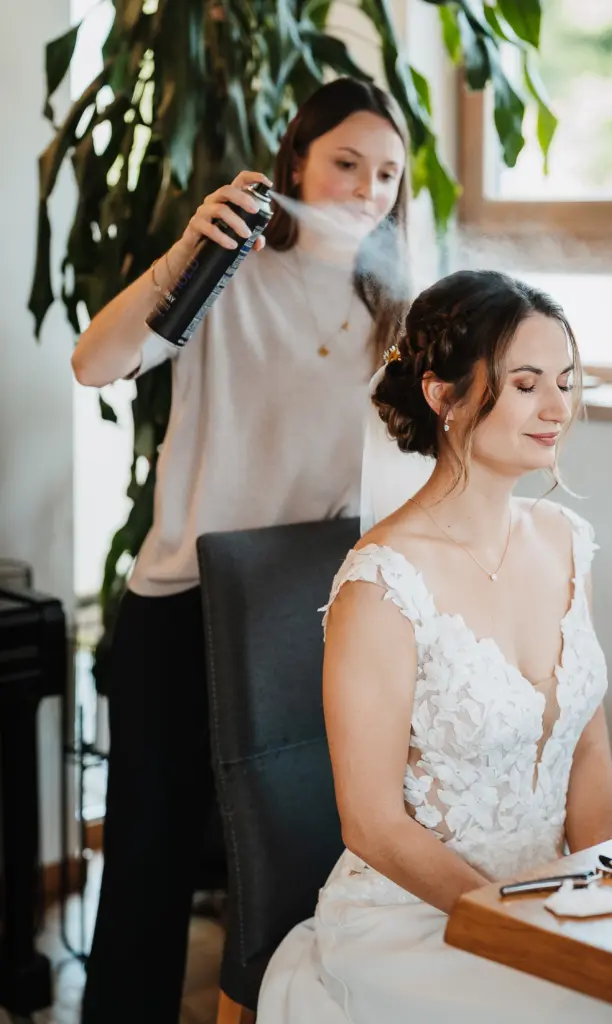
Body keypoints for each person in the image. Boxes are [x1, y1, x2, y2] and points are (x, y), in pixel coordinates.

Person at [72, 77, 411, 1023]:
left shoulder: (396, 313)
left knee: (297, 857)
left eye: (386, 174)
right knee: (148, 860)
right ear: (296, 159)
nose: (365, 189)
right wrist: (188, 246)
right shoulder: (224, 272)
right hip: (180, 608)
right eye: (345, 163)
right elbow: (93, 364)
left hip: (304, 619)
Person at [256, 269, 612, 1022]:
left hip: (549, 899)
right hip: (412, 922)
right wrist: (509, 921)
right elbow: (369, 821)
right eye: (527, 383)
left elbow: (587, 745)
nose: (557, 407)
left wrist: (596, 897)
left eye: (566, 382)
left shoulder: (567, 541)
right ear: (443, 395)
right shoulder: (382, 583)